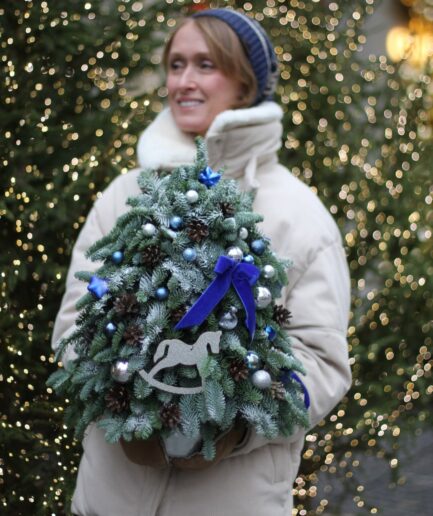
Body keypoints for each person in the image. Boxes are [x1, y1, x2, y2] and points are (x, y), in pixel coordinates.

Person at [52, 8, 352, 516]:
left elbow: (321, 364)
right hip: (109, 500)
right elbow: (73, 325)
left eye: (205, 65)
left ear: (246, 83)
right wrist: (122, 396)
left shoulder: (299, 215)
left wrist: (236, 428)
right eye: (176, 65)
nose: (184, 81)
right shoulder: (126, 195)